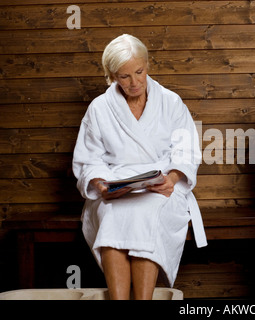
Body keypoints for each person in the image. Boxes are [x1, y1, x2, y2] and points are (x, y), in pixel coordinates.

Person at [72, 34, 207, 300]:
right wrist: (101, 186)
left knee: (148, 212)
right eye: (124, 77)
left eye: (139, 72)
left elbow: (186, 150)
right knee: (111, 215)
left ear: (148, 65)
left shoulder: (171, 102)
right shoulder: (99, 108)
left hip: (163, 186)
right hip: (114, 186)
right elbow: (90, 159)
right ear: (111, 76)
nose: (134, 83)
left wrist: (172, 177)